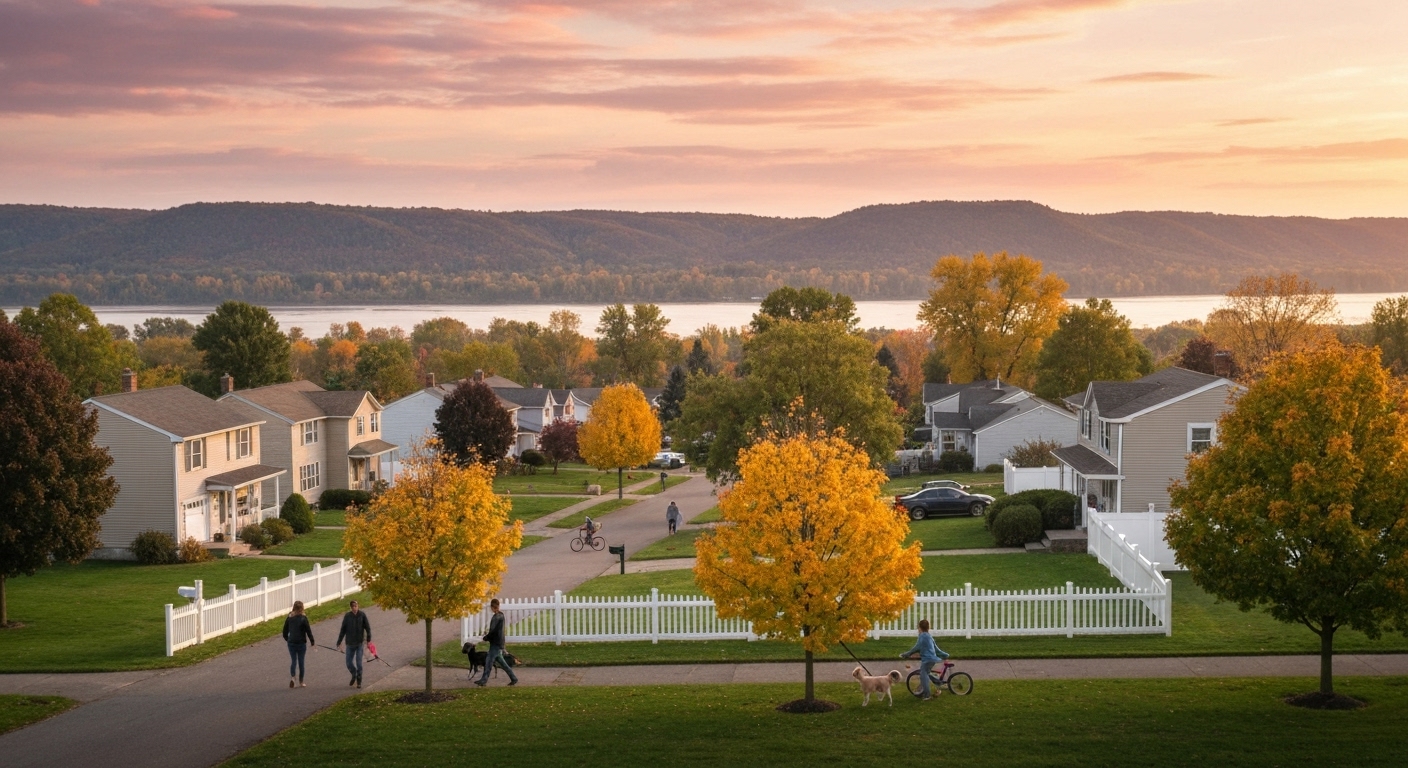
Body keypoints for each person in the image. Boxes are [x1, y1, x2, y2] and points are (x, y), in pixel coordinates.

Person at [901, 618, 949, 701]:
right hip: (932, 659)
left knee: (923, 676)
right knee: (926, 673)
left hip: (927, 660)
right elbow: (936, 649)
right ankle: (939, 682)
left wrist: (906, 654)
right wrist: (945, 655)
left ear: (919, 628)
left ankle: (927, 695)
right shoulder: (929, 636)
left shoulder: (922, 636)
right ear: (928, 628)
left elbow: (917, 647)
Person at [476, 598, 519, 687]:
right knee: (502, 663)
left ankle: (484, 680)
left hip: (495, 643)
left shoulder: (496, 618)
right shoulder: (501, 615)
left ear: (492, 607)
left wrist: (486, 637)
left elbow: (493, 631)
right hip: (499, 642)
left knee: (488, 662)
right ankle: (513, 678)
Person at [336, 599, 372, 689]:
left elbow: (368, 628)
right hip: (350, 644)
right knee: (348, 663)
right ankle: (354, 673)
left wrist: (368, 640)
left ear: (358, 606)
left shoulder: (362, 615)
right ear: (351, 607)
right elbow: (343, 630)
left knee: (359, 663)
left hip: (359, 643)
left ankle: (359, 680)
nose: (355, 608)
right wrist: (339, 641)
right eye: (353, 607)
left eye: (356, 606)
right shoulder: (347, 616)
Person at [281, 600, 315, 689]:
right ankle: (301, 681)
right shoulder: (303, 618)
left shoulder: (289, 617)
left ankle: (293, 677)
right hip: (301, 643)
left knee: (293, 661)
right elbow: (308, 630)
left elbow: (284, 631)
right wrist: (312, 641)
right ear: (302, 608)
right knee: (301, 662)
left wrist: (287, 639)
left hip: (291, 642)